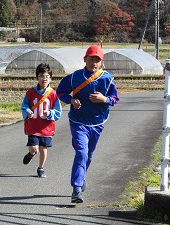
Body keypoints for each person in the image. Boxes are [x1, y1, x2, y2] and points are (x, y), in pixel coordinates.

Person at [56, 45, 119, 203]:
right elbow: (60, 92)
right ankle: (77, 189)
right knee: (82, 152)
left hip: (98, 122)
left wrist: (103, 99)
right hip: (78, 121)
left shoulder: (107, 78)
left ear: (102, 62)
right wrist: (71, 100)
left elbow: (115, 99)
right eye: (91, 59)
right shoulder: (75, 77)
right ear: (85, 59)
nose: (94, 63)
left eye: (97, 60)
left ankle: (81, 177)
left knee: (89, 154)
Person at [21, 63, 62, 178]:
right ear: (37, 77)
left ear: (50, 78)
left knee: (43, 149)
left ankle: (41, 168)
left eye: (46, 77)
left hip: (46, 127)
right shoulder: (30, 92)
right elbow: (24, 106)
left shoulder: (53, 94)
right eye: (41, 76)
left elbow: (58, 112)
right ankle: (31, 154)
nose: (44, 79)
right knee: (34, 148)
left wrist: (49, 113)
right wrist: (28, 111)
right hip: (33, 126)